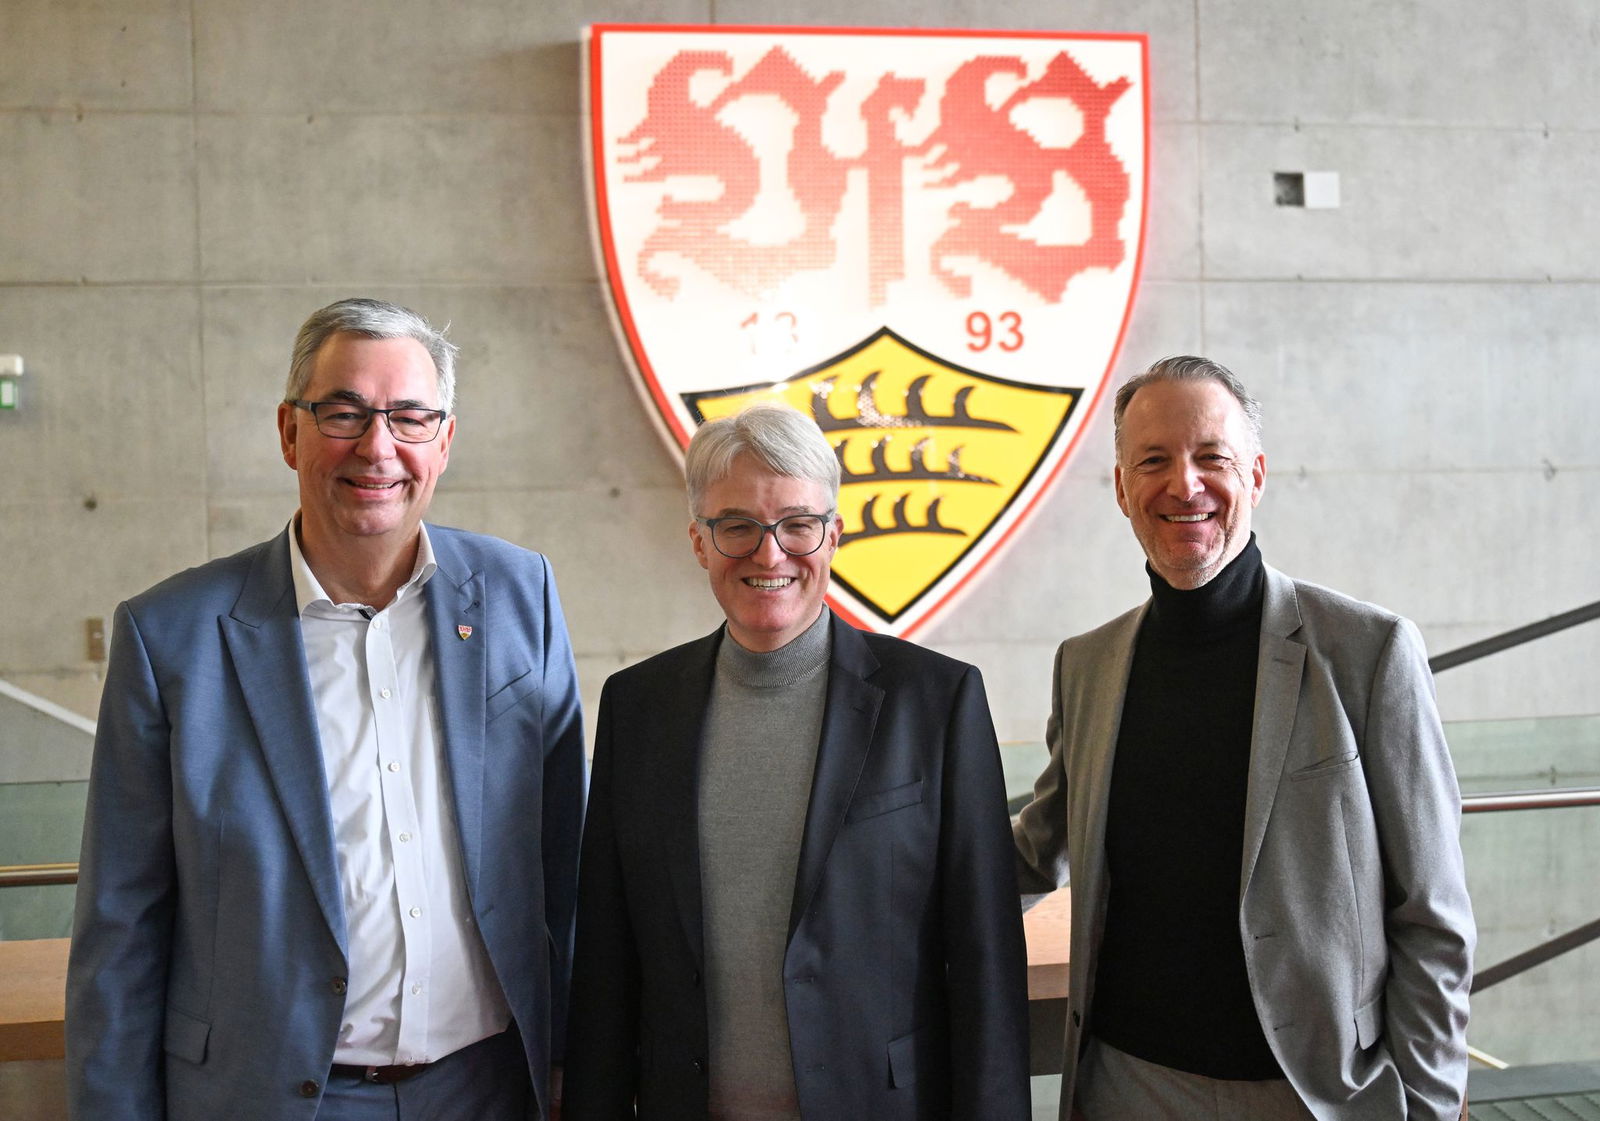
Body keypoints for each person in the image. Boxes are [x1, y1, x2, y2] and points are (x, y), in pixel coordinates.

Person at [66, 298, 585, 1121]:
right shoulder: (171, 638)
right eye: (344, 412)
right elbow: (121, 926)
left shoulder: (522, 595)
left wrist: (573, 1072)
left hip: (487, 1088)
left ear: (444, 440)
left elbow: (567, 863)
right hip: (273, 1097)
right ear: (289, 432)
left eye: (411, 417)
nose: (378, 447)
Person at [1013, 355, 1475, 1121]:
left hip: (1311, 1092)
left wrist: (1426, 1102)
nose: (1184, 484)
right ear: (1122, 487)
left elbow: (1432, 913)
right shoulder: (1087, 663)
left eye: (1211, 457)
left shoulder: (1368, 652)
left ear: (1255, 474)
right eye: (1153, 460)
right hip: (1126, 1086)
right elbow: (1038, 847)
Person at [562, 403, 1030, 1121]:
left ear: (832, 535)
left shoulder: (936, 703)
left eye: (797, 525)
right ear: (699, 541)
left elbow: (985, 967)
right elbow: (605, 962)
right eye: (737, 525)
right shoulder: (637, 709)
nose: (770, 552)